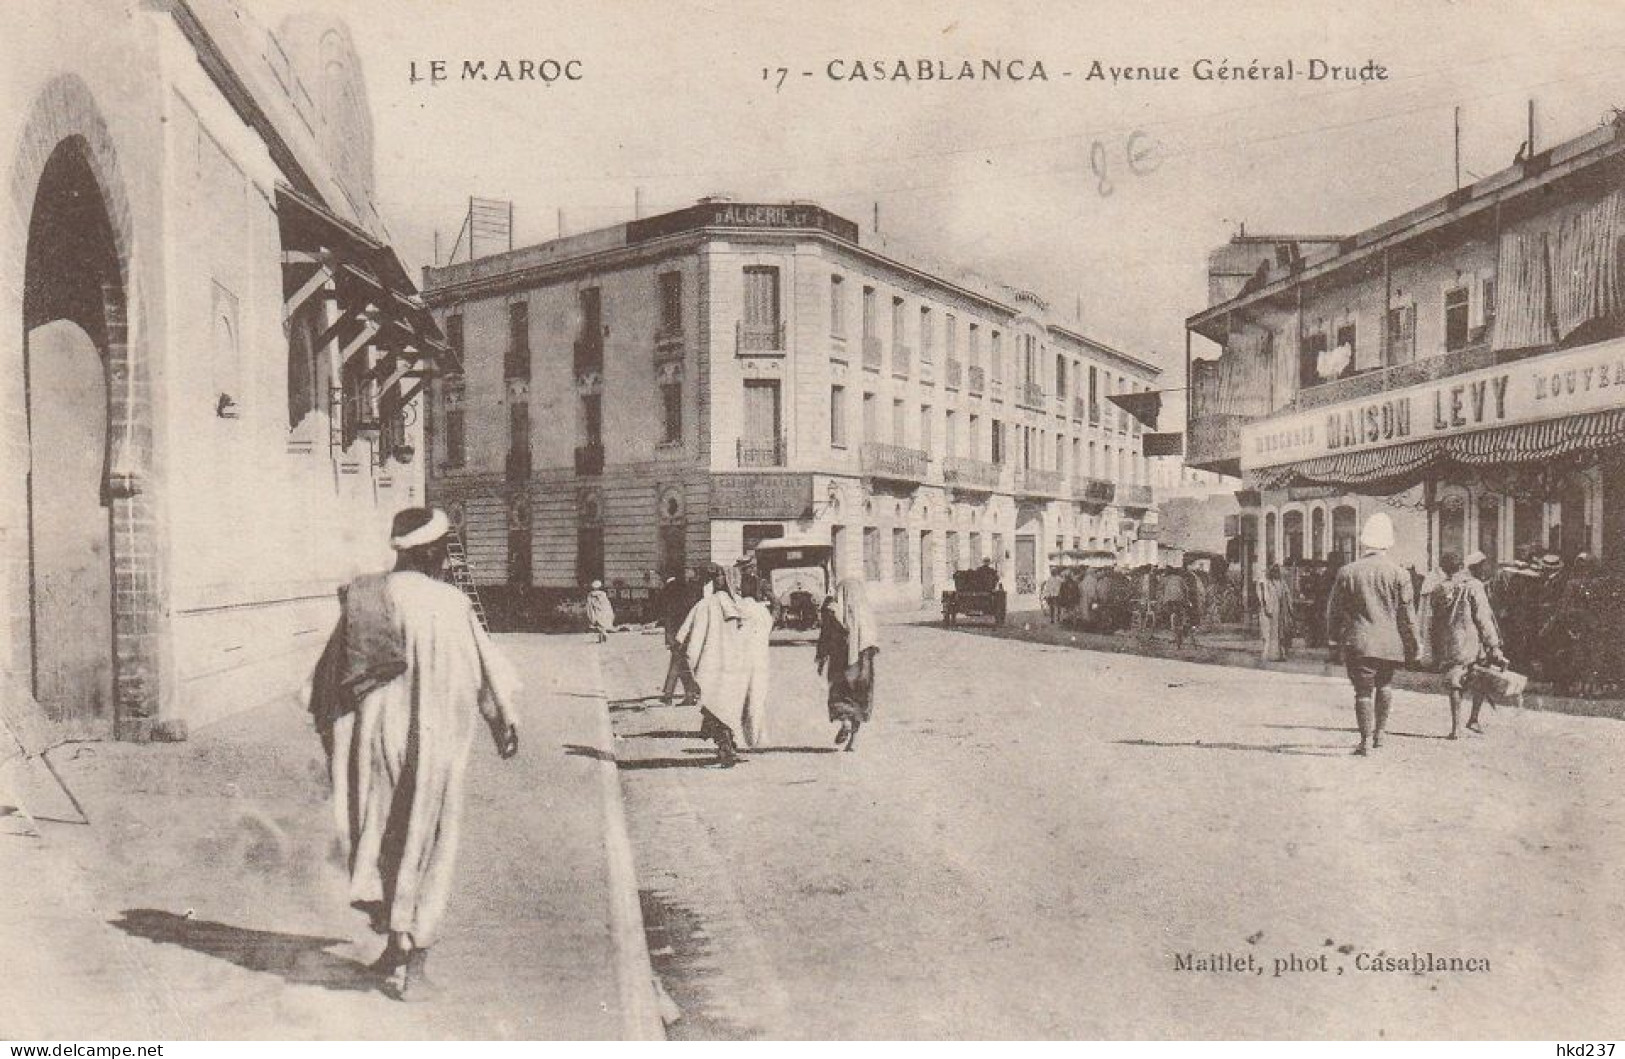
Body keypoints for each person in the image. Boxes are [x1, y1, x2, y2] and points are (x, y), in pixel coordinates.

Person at [308, 507, 520, 1001]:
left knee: (383, 833)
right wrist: (501, 720)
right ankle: (416, 966)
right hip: (432, 739)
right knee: (430, 839)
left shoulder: (365, 596)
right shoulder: (450, 604)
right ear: (433, 553)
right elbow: (482, 671)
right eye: (445, 551)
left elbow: (328, 679)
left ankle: (393, 947)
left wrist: (336, 734)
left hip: (375, 740)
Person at [1325, 512, 1419, 756]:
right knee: (1385, 685)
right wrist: (1415, 643)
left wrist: (1333, 638)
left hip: (1360, 642)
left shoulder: (1347, 572)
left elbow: (1334, 610)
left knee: (1363, 691)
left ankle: (1365, 741)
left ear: (1364, 542)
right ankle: (1381, 734)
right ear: (1388, 543)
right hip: (1390, 643)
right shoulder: (1400, 574)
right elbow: (1408, 615)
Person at [677, 564, 751, 766]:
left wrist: (689, 657)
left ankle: (725, 745)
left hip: (711, 665)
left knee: (716, 704)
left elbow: (683, 635)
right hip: (734, 666)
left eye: (720, 575)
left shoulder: (705, 605)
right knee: (728, 705)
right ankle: (726, 745)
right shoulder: (742, 606)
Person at [1431, 550, 1506, 739]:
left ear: (1443, 569)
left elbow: (1435, 620)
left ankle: (1455, 728)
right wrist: (1493, 644)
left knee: (1455, 683)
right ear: (1461, 567)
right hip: (1472, 640)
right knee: (1479, 677)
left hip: (1449, 642)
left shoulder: (1438, 589)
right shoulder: (1473, 586)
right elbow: (1483, 617)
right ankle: (1473, 719)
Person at [816, 578, 881, 752]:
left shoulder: (832, 611)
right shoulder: (866, 612)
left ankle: (845, 722)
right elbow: (872, 642)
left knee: (839, 695)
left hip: (840, 662)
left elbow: (825, 636)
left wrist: (821, 658)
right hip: (863, 664)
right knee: (860, 699)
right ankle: (854, 740)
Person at [657, 572, 701, 707]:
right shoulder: (684, 594)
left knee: (677, 664)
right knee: (681, 664)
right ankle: (690, 693)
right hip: (684, 634)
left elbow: (668, 618)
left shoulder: (669, 592)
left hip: (677, 635)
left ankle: (670, 694)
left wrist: (670, 639)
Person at [1259, 564, 1292, 662]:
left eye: (1277, 571)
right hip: (1271, 610)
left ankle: (1280, 654)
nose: (1276, 573)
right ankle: (1269, 655)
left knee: (1280, 632)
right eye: (1274, 571)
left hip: (1280, 610)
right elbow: (1264, 598)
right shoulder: (1267, 583)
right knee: (1270, 632)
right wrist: (1265, 609)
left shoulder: (1282, 583)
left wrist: (1289, 607)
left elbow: (1287, 594)